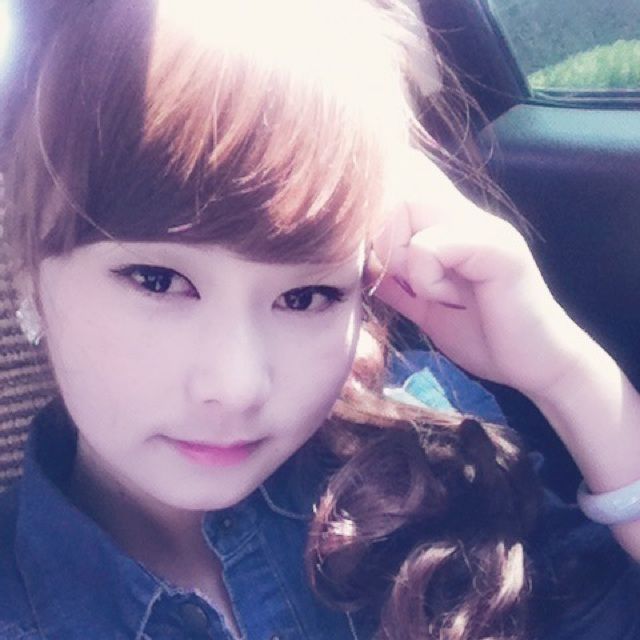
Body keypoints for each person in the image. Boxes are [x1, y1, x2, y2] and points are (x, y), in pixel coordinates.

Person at [0, 1, 639, 639]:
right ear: (27, 265)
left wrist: (564, 374)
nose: (238, 386)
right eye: (157, 280)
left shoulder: (430, 433)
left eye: (306, 296)